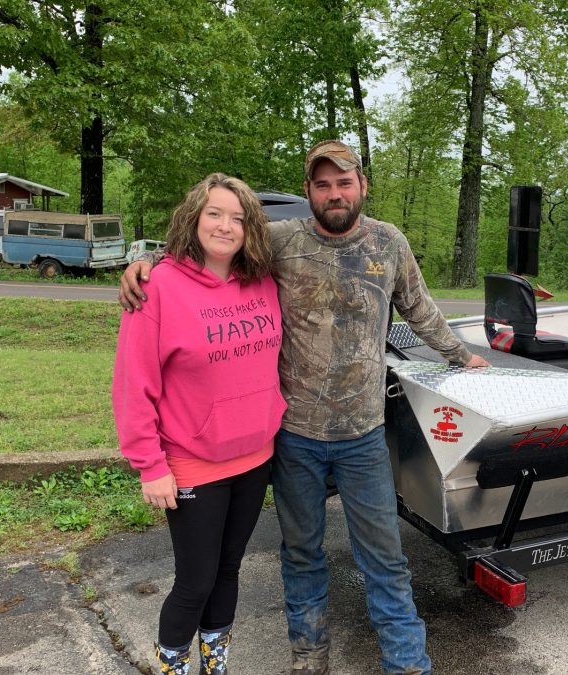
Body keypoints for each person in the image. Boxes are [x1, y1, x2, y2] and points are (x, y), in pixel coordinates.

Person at [120, 141, 489, 675]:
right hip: (293, 438)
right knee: (301, 556)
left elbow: (422, 311)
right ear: (309, 192)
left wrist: (463, 355)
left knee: (385, 560)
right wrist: (146, 264)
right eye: (322, 184)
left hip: (363, 434)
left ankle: (407, 664)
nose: (334, 193)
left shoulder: (389, 242)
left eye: (344, 182)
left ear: (362, 186)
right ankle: (309, 659)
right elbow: (216, 241)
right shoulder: (280, 240)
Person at [112, 173, 285, 675]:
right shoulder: (157, 286)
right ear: (193, 218)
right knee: (195, 580)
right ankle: (173, 668)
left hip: (255, 457)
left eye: (238, 217)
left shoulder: (264, 280)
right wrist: (150, 465)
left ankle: (215, 665)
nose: (226, 226)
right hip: (192, 462)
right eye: (215, 213)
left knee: (228, 570)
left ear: (251, 228)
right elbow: (132, 384)